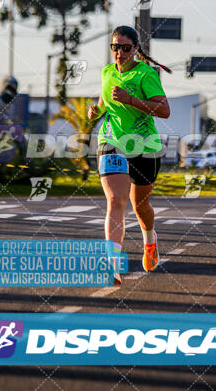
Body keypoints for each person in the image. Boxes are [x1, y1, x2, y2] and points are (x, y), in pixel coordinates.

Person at [88, 26, 172, 284]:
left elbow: (164, 110)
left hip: (144, 147)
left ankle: (149, 239)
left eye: (125, 48)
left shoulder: (146, 74)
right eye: (115, 47)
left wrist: (131, 99)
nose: (120, 53)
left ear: (136, 49)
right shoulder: (107, 72)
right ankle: (112, 264)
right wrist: (96, 112)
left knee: (140, 206)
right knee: (115, 201)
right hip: (112, 141)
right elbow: (104, 103)